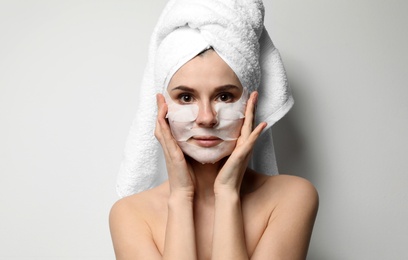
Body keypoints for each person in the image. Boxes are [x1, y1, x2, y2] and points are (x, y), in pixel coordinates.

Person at [110, 0, 318, 259]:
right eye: (186, 98)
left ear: (252, 101)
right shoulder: (130, 214)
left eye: (225, 96)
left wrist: (228, 195)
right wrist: (181, 196)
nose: (207, 118)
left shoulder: (292, 198)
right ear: (161, 107)